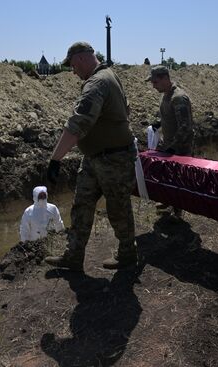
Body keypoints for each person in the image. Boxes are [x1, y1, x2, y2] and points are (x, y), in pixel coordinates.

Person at [44, 41, 137, 271]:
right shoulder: (106, 76)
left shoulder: (97, 83)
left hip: (113, 160)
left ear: (83, 58)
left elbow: (78, 123)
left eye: (73, 65)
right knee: (81, 206)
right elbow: (125, 110)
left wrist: (55, 160)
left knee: (118, 208)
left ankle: (128, 254)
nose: (72, 71)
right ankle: (74, 256)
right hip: (95, 158)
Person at [146, 65, 194, 156]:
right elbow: (171, 115)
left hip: (180, 152)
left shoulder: (178, 98)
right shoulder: (165, 95)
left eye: (155, 82)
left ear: (165, 78)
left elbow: (185, 128)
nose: (153, 86)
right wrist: (159, 123)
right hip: (168, 148)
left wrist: (173, 148)